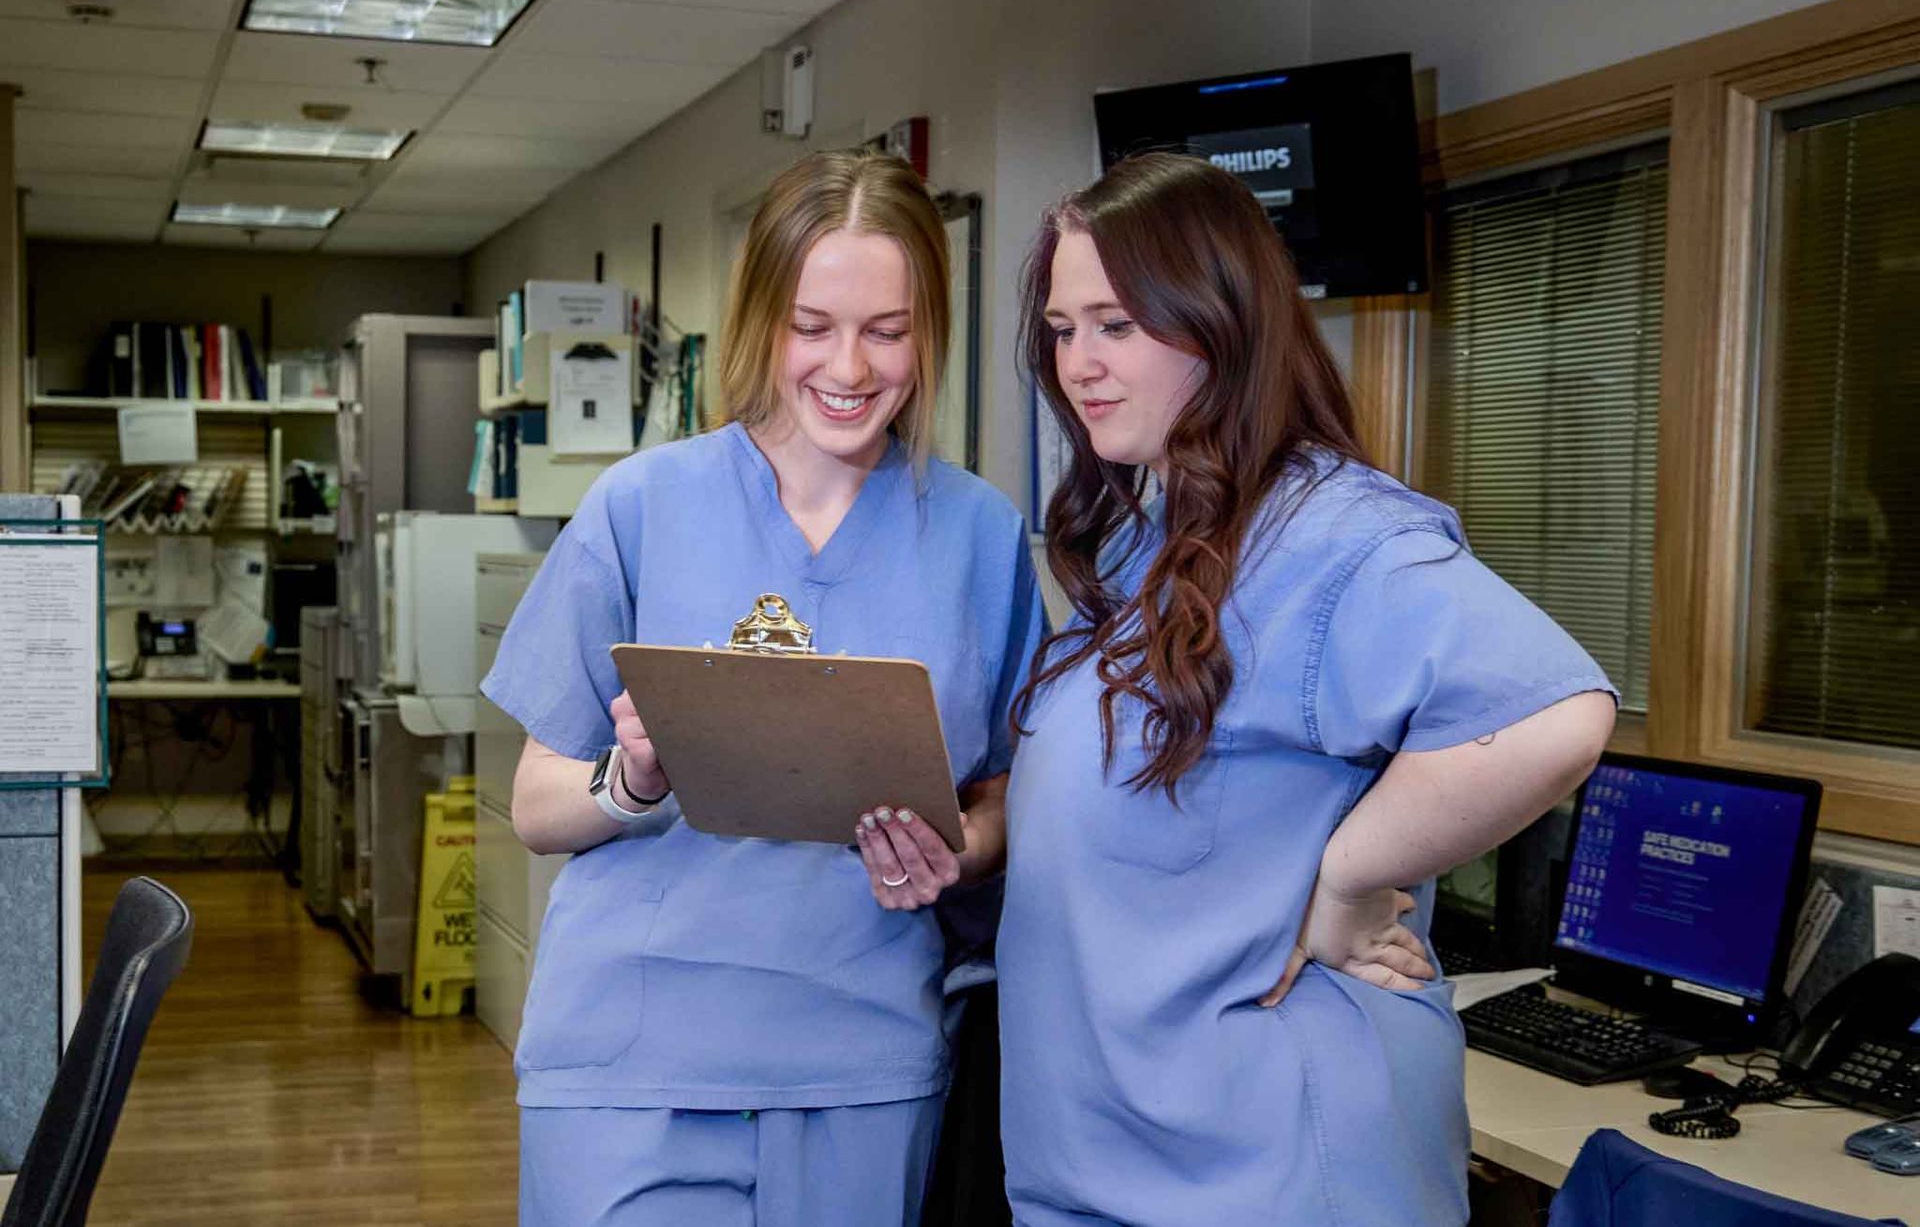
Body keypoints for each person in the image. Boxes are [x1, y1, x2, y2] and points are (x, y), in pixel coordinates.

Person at [995, 152, 1617, 1226]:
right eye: (1063, 329)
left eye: (1118, 325)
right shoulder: (1156, 543)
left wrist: (1348, 878)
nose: (1079, 364)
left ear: (1221, 323)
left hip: (1271, 1166)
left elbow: (1554, 713)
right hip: (1112, 1150)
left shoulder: (1324, 531)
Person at [482, 149, 1046, 1227]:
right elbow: (534, 807)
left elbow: (1009, 795)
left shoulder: (978, 535)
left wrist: (957, 852)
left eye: (888, 329)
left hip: (863, 1060)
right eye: (812, 325)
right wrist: (637, 781)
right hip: (632, 1055)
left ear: (930, 332)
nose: (850, 366)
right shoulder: (641, 506)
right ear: (760, 323)